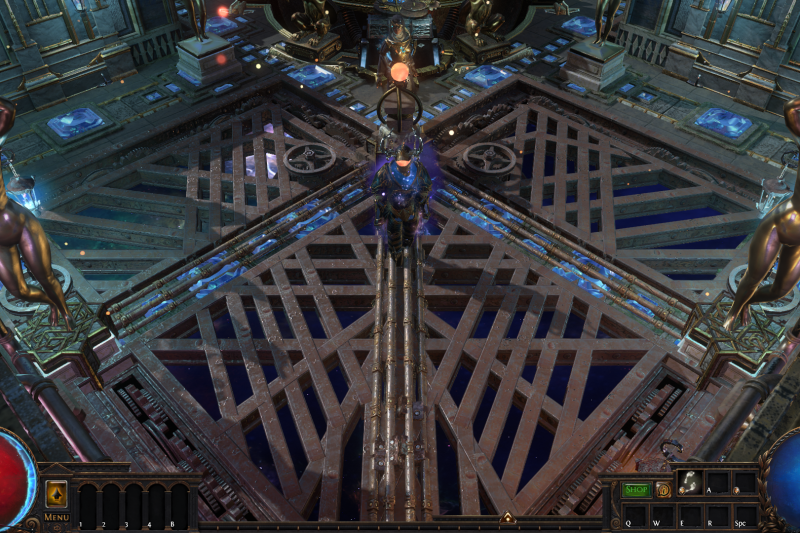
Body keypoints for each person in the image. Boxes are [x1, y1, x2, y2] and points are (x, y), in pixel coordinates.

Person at [724, 97, 800, 331]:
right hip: (781, 224)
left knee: (781, 290)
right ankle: (734, 310)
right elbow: (790, 108)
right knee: (753, 277)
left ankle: (748, 302)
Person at [0, 97, 75, 331]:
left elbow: (7, 110)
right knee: (19, 291)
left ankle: (65, 310)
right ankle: (51, 303)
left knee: (46, 277)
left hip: (20, 223)